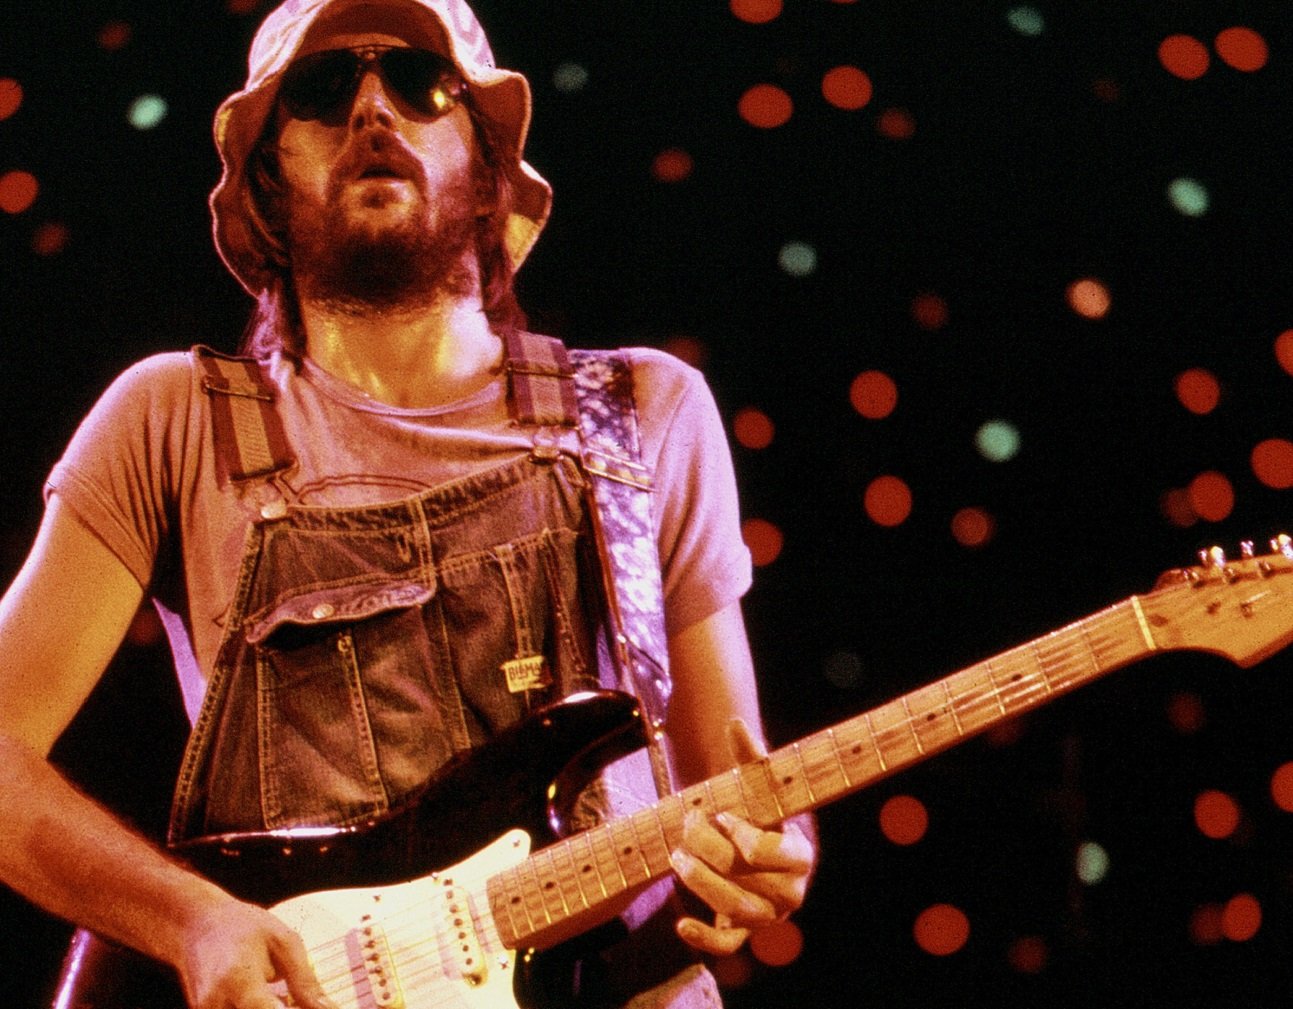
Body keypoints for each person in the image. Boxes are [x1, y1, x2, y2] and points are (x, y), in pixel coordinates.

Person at [0, 1, 816, 1007]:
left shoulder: (645, 414)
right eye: (322, 90)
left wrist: (768, 851)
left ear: (485, 160)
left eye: (422, 83)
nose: (373, 111)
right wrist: (189, 918)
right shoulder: (171, 421)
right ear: (265, 176)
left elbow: (731, 787)